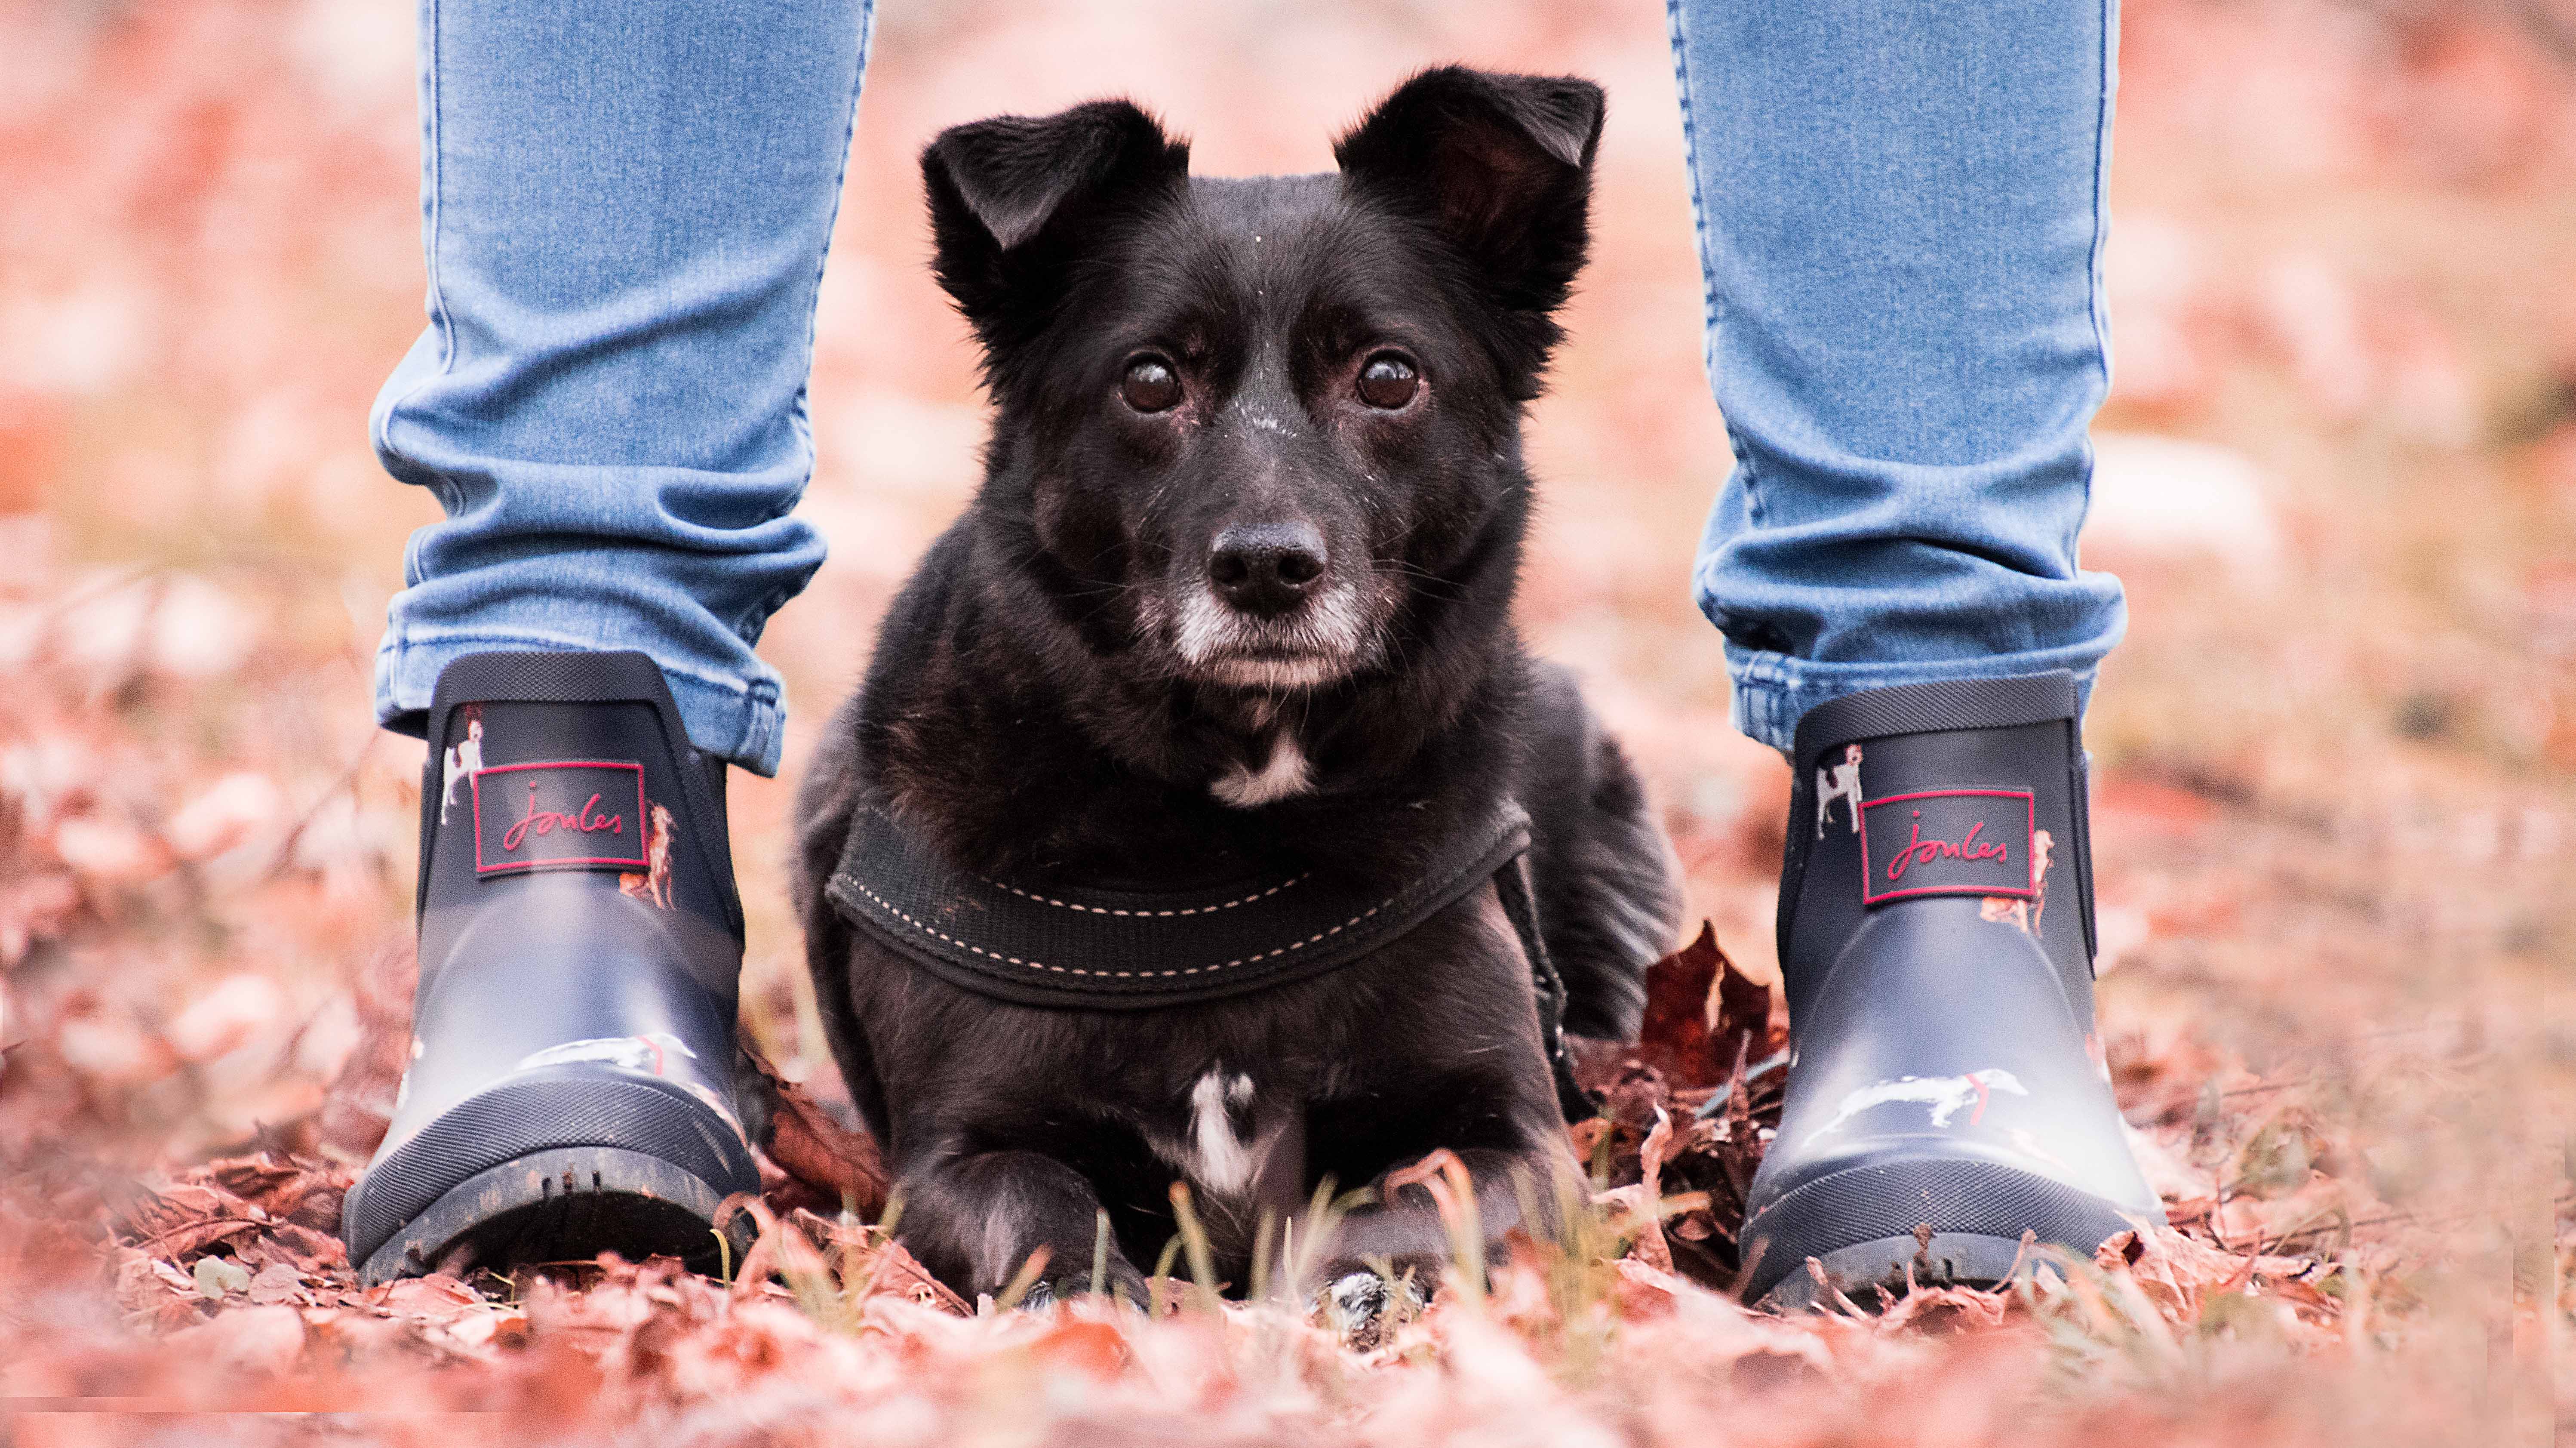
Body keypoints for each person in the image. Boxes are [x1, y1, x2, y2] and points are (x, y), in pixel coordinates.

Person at [338, 0, 2160, 1308]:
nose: (1269, 516)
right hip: (1029, 876)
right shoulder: (943, 776)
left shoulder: (1493, 746)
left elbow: (1503, 1154)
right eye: (1154, 384)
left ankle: (1950, 840)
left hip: (1411, 851)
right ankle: (566, 817)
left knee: (1551, 777)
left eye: (1382, 381)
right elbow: (967, 1166)